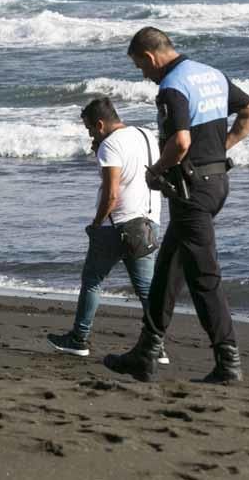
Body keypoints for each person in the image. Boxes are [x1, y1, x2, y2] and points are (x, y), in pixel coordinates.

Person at [104, 27, 249, 384]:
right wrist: (219, 150)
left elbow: (179, 141)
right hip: (216, 182)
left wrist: (156, 170)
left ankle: (228, 362)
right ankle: (145, 354)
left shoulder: (172, 86)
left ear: (149, 57)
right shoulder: (212, 75)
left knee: (204, 278)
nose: (143, 75)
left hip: (190, 191)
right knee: (167, 270)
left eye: (140, 67)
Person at [47, 98, 165, 361]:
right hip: (148, 221)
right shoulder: (146, 134)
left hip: (118, 225)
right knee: (146, 290)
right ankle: (157, 346)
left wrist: (96, 224)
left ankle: (79, 338)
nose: (90, 135)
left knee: (92, 281)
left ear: (100, 124)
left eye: (90, 129)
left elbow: (111, 194)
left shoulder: (110, 145)